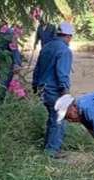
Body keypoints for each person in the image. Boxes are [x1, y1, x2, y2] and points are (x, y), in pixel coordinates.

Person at [32, 22, 74, 158]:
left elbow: (37, 69)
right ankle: (52, 151)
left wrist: (34, 86)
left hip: (42, 89)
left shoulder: (47, 47)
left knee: (52, 118)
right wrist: (66, 95)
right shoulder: (64, 51)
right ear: (68, 36)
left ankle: (48, 147)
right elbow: (62, 74)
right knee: (59, 120)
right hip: (54, 91)